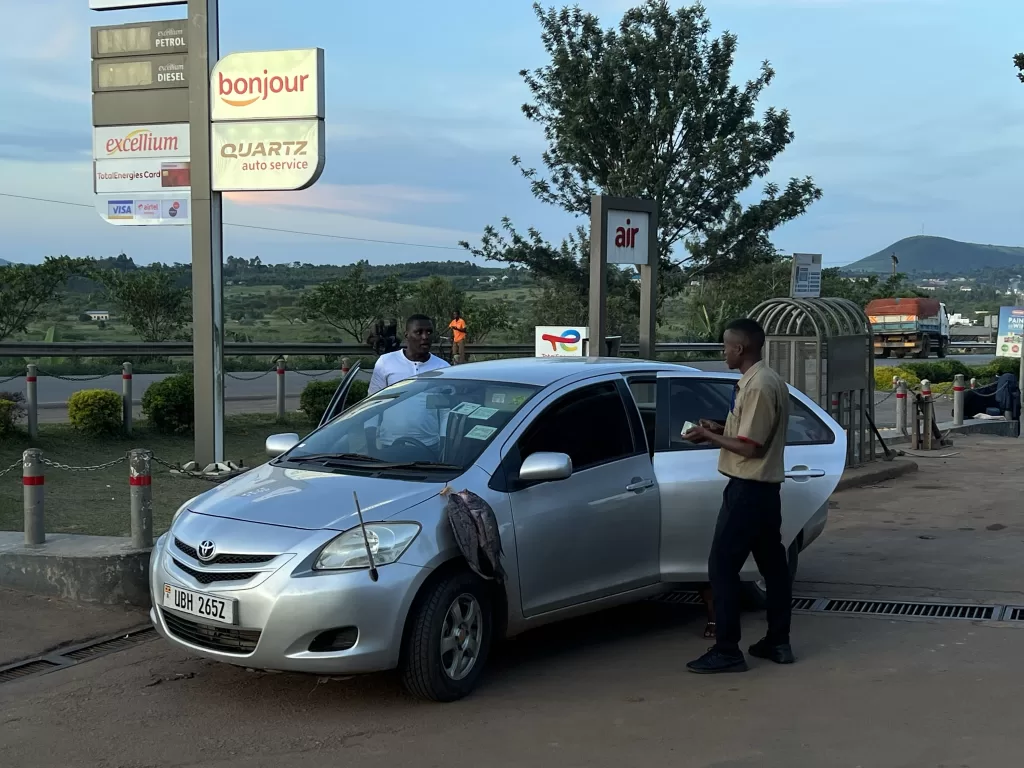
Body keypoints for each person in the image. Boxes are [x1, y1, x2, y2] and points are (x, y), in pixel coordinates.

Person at [682, 317, 794, 674]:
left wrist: (708, 436)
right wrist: (719, 426)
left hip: (749, 489)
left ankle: (727, 649)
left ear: (740, 348)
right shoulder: (758, 381)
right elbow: (746, 430)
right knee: (774, 569)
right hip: (762, 490)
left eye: (726, 347)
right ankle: (777, 641)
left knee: (722, 567)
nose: (723, 352)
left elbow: (750, 447)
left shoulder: (759, 385)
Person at [366, 315, 450, 461]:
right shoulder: (386, 362)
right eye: (419, 332)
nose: (425, 337)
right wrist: (371, 447)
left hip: (430, 446)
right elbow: (372, 406)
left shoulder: (443, 368)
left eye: (429, 332)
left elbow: (445, 412)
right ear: (407, 335)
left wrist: (444, 445)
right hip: (389, 444)